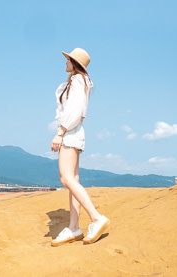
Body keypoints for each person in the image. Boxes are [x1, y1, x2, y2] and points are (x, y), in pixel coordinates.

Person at [50, 47, 110, 246]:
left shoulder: (77, 81)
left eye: (68, 60)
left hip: (71, 131)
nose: (65, 62)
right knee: (73, 179)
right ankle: (74, 227)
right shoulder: (78, 81)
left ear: (75, 64)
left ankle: (96, 217)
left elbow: (74, 110)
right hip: (75, 131)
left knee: (66, 178)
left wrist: (60, 132)